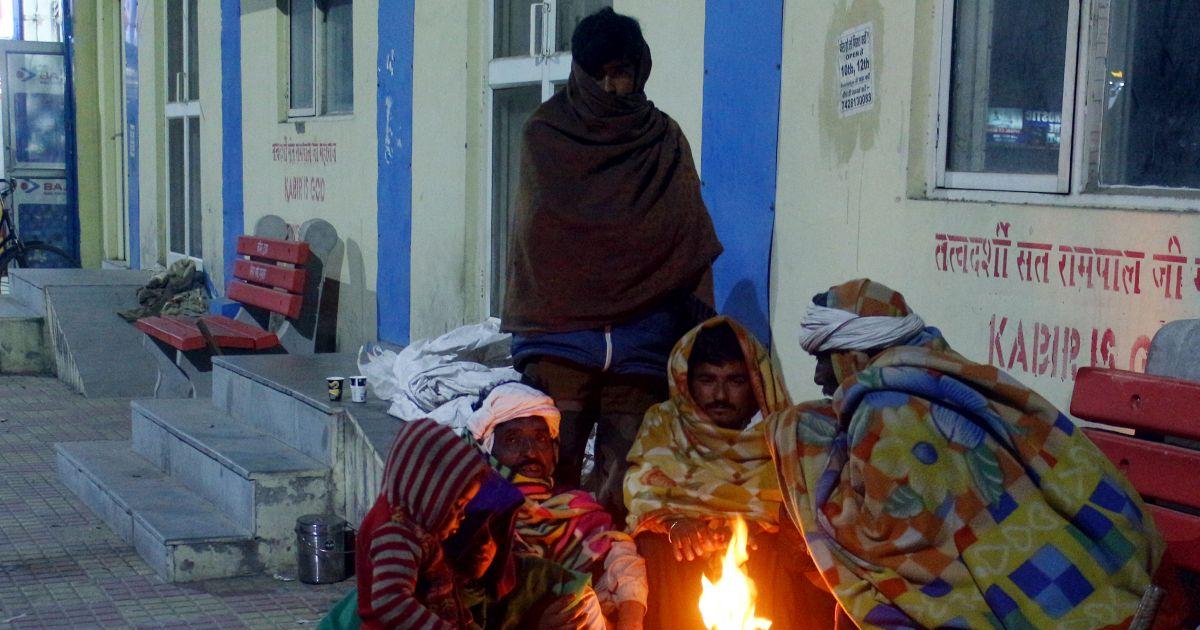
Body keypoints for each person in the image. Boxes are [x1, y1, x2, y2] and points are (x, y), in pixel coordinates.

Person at [766, 278, 1169, 628]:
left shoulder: (883, 409)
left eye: (822, 359)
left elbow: (892, 541)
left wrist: (814, 508)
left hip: (1026, 585)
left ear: (853, 355)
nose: (819, 377)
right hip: (1089, 555)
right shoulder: (941, 371)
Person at [503, 6, 723, 521]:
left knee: (625, 489)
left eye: (621, 72)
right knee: (545, 484)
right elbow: (541, 236)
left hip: (642, 343)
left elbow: (686, 231)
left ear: (639, 70)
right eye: (599, 74)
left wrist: (694, 329)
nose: (611, 87)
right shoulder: (546, 134)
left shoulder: (663, 138)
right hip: (561, 344)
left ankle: (613, 569)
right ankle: (550, 568)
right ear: (580, 73)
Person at [623, 317, 838, 630]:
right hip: (680, 567)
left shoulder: (781, 436)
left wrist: (751, 529)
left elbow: (801, 505)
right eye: (707, 380)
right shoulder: (664, 424)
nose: (720, 394)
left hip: (765, 567)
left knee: (790, 549)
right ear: (686, 383)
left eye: (735, 381)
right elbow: (642, 491)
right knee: (654, 548)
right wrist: (676, 524)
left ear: (755, 384)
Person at [467, 382, 648, 630]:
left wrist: (631, 617)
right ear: (486, 448)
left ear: (554, 449)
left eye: (541, 438)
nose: (530, 451)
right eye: (512, 439)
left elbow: (621, 557)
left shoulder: (574, 507)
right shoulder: (471, 515)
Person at [354, 419, 488, 629]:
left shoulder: (410, 522)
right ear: (430, 492)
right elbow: (390, 602)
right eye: (458, 505)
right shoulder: (396, 532)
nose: (462, 516)